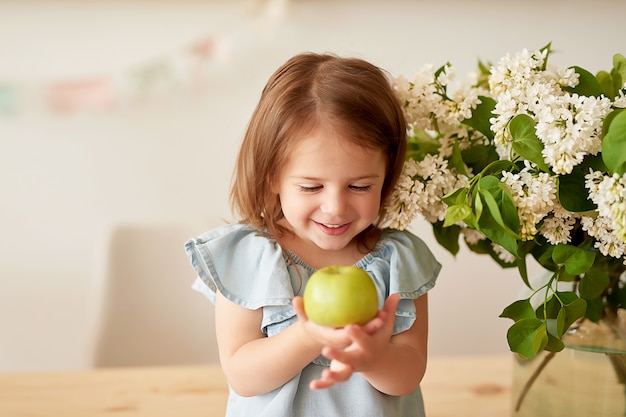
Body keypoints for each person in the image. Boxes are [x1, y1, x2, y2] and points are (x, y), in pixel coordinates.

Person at [184, 52, 441, 417]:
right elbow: (242, 375)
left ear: (387, 176)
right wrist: (310, 336)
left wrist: (375, 356)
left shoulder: (397, 261)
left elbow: (408, 376)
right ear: (272, 175)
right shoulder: (247, 258)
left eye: (359, 186)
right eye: (310, 187)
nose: (335, 207)